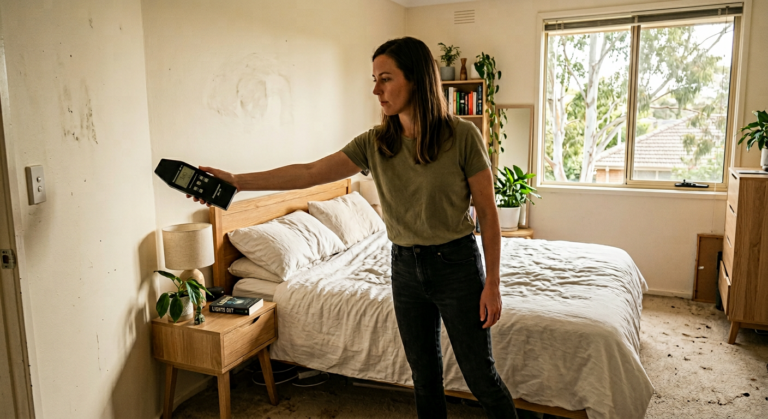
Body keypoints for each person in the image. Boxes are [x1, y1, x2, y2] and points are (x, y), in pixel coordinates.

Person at [188, 37, 517, 419]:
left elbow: (489, 214)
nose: (376, 89)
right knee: (424, 378)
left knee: (481, 377)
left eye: (386, 79)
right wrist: (235, 181)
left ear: (417, 80)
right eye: (374, 79)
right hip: (404, 268)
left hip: (457, 265)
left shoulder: (462, 136)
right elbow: (309, 173)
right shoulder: (376, 144)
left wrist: (492, 283)